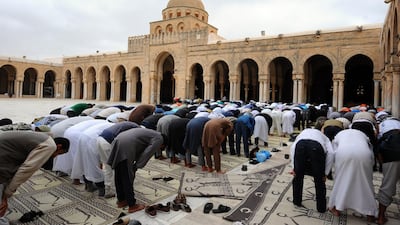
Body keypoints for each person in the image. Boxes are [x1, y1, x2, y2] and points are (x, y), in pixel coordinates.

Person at [0, 131, 69, 224]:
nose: (56, 156)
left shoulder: (44, 138)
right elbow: (25, 170)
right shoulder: (50, 146)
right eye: (59, 154)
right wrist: (6, 195)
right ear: (59, 146)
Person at [107, 128, 167, 213]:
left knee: (119, 174)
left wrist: (136, 163)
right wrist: (137, 166)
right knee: (127, 176)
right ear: (163, 144)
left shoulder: (152, 133)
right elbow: (147, 153)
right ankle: (132, 205)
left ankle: (121, 200)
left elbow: (141, 148)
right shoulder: (159, 139)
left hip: (118, 140)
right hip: (126, 145)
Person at [328, 128, 377, 221]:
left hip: (343, 153)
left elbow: (333, 151)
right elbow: (370, 149)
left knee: (341, 180)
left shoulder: (339, 135)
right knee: (365, 183)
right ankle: (370, 213)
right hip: (364, 154)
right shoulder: (362, 134)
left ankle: (335, 207)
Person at [290, 128, 334, 213]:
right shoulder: (324, 136)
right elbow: (331, 153)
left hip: (301, 145)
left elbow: (293, 148)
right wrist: (325, 173)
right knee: (319, 180)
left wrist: (294, 168)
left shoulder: (303, 132)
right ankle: (321, 208)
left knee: (298, 177)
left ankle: (297, 201)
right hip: (316, 147)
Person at [97, 121, 140, 198]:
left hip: (100, 139)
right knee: (116, 168)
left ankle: (108, 190)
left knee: (107, 167)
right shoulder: (136, 129)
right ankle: (118, 193)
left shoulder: (130, 125)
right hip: (108, 142)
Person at [376, 117, 400, 225]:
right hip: (393, 148)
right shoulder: (397, 124)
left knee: (388, 184)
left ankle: (381, 217)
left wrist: (382, 163)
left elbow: (378, 144)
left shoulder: (382, 125)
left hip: (391, 152)